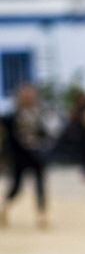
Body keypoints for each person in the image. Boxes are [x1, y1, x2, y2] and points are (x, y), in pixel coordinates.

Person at [1, 83, 48, 229]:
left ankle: (42, 214)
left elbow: (44, 133)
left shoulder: (37, 114)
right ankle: (4, 208)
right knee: (17, 186)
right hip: (18, 156)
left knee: (40, 184)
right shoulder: (10, 117)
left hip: (36, 155)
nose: (29, 99)